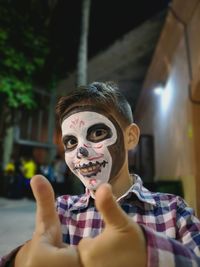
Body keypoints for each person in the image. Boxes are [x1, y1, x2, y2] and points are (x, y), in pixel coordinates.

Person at [0, 81, 200, 267]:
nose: (81, 151)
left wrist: (156, 256)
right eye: (71, 142)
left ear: (130, 137)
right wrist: (18, 260)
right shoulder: (61, 212)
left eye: (97, 133)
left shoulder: (174, 212)